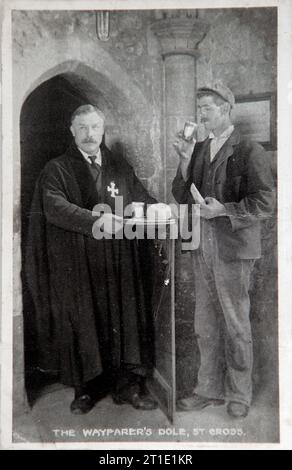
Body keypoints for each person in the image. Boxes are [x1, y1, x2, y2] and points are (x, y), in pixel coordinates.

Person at [25, 104, 158, 414]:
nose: (89, 134)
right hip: (79, 262)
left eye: (95, 127)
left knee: (125, 321)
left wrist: (155, 209)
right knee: (85, 323)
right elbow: (54, 206)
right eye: (82, 128)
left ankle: (128, 386)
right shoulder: (56, 169)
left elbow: (140, 197)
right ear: (72, 132)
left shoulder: (118, 166)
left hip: (118, 260)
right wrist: (96, 220)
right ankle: (86, 390)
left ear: (103, 129)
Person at [172, 82, 275, 418]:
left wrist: (225, 211)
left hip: (233, 246)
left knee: (235, 322)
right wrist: (185, 160)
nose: (202, 114)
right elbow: (183, 194)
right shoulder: (201, 149)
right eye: (199, 108)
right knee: (205, 321)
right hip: (203, 244)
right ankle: (208, 389)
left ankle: (239, 395)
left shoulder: (248, 150)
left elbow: (265, 203)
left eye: (209, 108)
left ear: (227, 108)